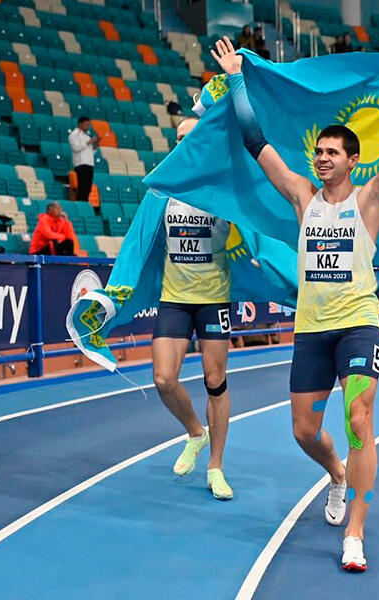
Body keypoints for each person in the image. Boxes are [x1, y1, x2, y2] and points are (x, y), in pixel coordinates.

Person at [212, 36, 379, 572]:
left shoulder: (371, 198)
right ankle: (337, 474)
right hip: (312, 330)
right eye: (318, 152)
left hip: (359, 325)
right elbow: (254, 140)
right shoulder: (302, 196)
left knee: (359, 420)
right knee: (303, 430)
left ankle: (356, 534)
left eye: (331, 153)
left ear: (352, 160)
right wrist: (236, 79)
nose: (321, 158)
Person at [150, 116, 236, 501]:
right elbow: (142, 240)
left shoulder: (224, 187)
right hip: (174, 296)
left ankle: (216, 466)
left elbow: (256, 224)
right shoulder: (162, 188)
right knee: (163, 379)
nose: (182, 143)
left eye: (190, 137)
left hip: (213, 298)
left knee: (214, 381)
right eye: (178, 138)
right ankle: (195, 432)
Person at [68, 116, 98, 202]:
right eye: (86, 124)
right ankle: (80, 202)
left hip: (89, 164)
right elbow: (76, 148)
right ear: (80, 124)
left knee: (88, 187)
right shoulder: (74, 134)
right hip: (81, 164)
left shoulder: (87, 136)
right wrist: (88, 142)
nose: (87, 126)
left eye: (88, 124)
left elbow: (92, 151)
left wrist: (95, 144)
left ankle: (84, 202)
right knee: (82, 186)